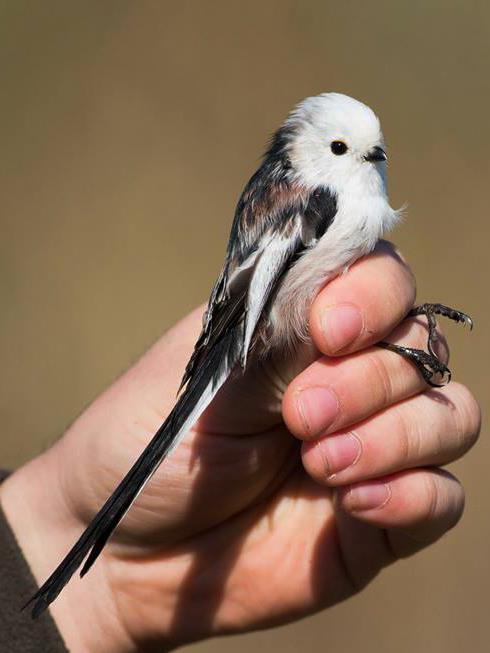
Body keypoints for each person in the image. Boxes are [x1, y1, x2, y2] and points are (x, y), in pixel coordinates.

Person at [0, 241, 480, 652]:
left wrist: (57, 533)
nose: (371, 159)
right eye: (341, 149)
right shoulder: (312, 195)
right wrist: (59, 527)